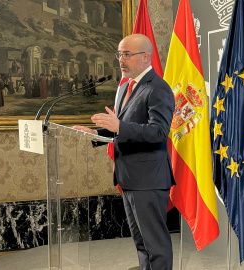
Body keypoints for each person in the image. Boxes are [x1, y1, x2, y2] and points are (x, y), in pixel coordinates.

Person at [72, 34, 175, 270]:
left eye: (127, 54)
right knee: (141, 242)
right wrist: (95, 133)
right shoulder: (124, 88)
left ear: (145, 57)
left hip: (148, 179)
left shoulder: (158, 88)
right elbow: (122, 130)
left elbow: (159, 132)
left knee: (155, 244)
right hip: (128, 176)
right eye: (119, 54)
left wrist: (119, 126)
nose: (121, 59)